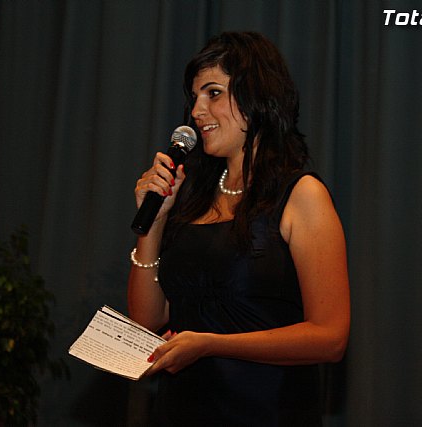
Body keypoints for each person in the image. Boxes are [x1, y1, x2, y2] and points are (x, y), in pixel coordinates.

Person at [127, 31, 350, 426]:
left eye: (213, 93)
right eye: (194, 98)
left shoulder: (301, 195)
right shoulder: (192, 197)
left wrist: (210, 345)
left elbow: (330, 338)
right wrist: (154, 223)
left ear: (257, 97)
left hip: (265, 411)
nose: (197, 111)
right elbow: (147, 319)